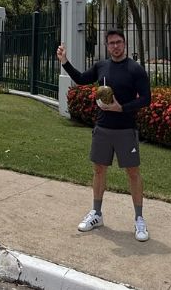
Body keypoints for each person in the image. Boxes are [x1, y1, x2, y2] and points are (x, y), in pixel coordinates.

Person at [56, 29, 152, 242]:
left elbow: (146, 99)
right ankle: (96, 214)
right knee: (99, 170)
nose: (115, 46)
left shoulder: (135, 69)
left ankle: (139, 219)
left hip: (126, 129)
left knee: (133, 173)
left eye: (118, 42)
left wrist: (122, 108)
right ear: (107, 46)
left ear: (124, 44)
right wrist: (65, 62)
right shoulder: (102, 66)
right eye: (111, 43)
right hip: (103, 127)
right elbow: (81, 79)